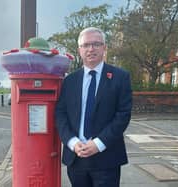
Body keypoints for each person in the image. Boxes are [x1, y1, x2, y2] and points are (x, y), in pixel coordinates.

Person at [55, 27, 132, 187]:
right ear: (79, 50)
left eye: (96, 44)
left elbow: (123, 115)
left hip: (107, 156)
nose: (91, 49)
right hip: (76, 157)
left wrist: (98, 143)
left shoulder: (120, 77)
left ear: (104, 47)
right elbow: (60, 114)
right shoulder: (69, 81)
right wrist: (72, 142)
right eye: (86, 45)